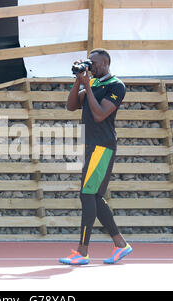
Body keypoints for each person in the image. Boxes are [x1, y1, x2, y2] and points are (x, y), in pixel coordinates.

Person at [59, 48, 132, 265]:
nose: (92, 66)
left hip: (103, 145)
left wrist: (88, 87)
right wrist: (78, 81)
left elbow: (100, 115)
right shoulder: (96, 85)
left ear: (106, 64)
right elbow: (71, 106)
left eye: (95, 63)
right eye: (89, 62)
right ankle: (121, 245)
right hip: (92, 146)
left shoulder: (116, 86)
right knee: (95, 197)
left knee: (86, 195)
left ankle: (82, 252)